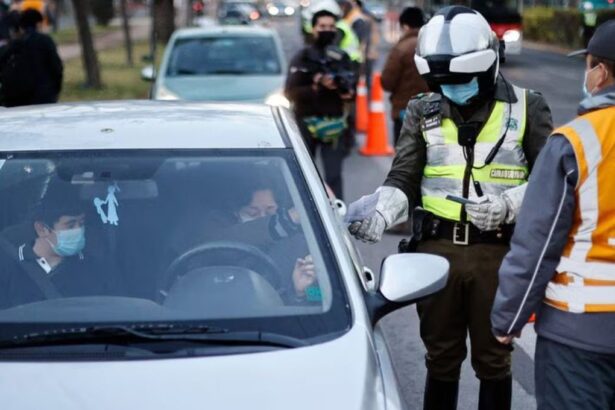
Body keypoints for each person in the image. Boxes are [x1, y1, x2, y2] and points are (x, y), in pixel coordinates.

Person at [345, 6, 553, 409]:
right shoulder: (424, 109)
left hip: (497, 252)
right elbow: (404, 176)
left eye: (460, 80)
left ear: (489, 65)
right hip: (435, 252)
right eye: (443, 82)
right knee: (440, 360)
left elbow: (550, 181)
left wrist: (508, 205)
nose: (452, 89)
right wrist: (382, 211)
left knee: (494, 360)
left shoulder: (529, 107)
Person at [491, 20, 615, 410]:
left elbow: (537, 243)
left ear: (600, 72)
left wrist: (507, 320)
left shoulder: (576, 141)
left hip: (580, 334)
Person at [167, 177, 318, 304]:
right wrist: (284, 221)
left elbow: (324, 296)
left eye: (271, 212)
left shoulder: (300, 245)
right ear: (235, 213)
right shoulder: (217, 239)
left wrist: (301, 294)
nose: (263, 218)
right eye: (252, 213)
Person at [0, 182, 117, 309]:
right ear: (42, 229)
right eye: (70, 225)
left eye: (81, 223)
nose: (78, 230)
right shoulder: (7, 267)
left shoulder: (95, 268)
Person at [285, 9, 356, 200]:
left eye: (331, 26)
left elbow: (351, 93)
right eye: (322, 26)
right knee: (305, 175)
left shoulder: (342, 58)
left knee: (333, 177)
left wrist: (345, 92)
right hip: (306, 123)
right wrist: (316, 85)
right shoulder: (303, 58)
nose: (327, 30)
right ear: (314, 28)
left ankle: (338, 219)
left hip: (334, 125)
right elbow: (290, 92)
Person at [381, 6, 429, 146]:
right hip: (432, 111)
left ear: (405, 26)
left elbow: (387, 82)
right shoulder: (432, 46)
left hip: (405, 111)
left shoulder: (401, 48)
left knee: (404, 158)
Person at [0, 8, 62, 107]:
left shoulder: (14, 45)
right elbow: (56, 67)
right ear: (38, 24)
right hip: (44, 96)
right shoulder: (45, 41)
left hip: (18, 98)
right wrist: (56, 89)